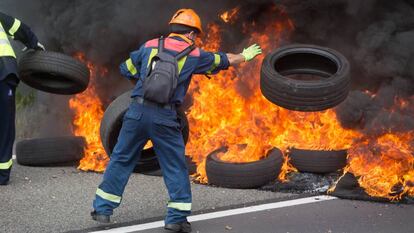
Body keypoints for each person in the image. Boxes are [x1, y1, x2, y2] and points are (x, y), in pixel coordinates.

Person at [91, 8, 262, 232]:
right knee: (174, 167)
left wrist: (147, 81)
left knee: (121, 159)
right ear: (191, 34)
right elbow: (224, 60)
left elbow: (127, 68)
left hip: (136, 112)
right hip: (164, 117)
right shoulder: (194, 54)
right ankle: (176, 218)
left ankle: (102, 210)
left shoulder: (151, 45)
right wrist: (245, 56)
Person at [0, 12, 44, 186]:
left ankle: (2, 172)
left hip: (4, 73)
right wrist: (33, 42)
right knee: (5, 124)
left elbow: (16, 26)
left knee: (4, 124)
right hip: (5, 73)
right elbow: (18, 27)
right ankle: (2, 174)